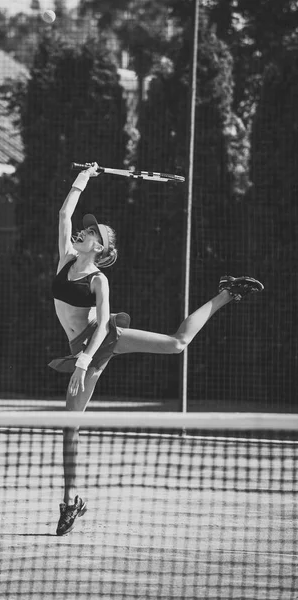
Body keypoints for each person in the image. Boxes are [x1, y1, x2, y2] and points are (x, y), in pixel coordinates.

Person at [50, 163, 264, 536]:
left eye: (92, 232)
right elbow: (64, 213)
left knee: (176, 345)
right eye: (86, 228)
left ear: (99, 247)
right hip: (80, 344)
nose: (84, 231)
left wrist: (83, 363)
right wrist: (84, 177)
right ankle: (74, 501)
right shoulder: (66, 257)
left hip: (97, 343)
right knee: (70, 426)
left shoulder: (99, 281)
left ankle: (226, 294)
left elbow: (102, 326)